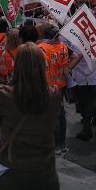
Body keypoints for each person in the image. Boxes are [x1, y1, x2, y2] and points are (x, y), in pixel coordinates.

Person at [0, 42, 62, 190]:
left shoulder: (5, 94)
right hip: (44, 169)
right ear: (42, 65)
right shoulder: (54, 93)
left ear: (17, 66)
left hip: (12, 168)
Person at [37, 22, 80, 156]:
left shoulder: (41, 48)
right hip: (61, 85)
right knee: (60, 114)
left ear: (43, 34)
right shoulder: (62, 45)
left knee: (52, 116)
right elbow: (76, 57)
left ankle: (55, 146)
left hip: (47, 86)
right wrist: (67, 69)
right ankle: (62, 144)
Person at [72, 52, 96, 141]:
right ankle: (87, 126)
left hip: (80, 78)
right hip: (92, 77)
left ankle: (86, 128)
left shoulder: (76, 44)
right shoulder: (95, 44)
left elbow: (73, 59)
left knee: (82, 103)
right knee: (89, 103)